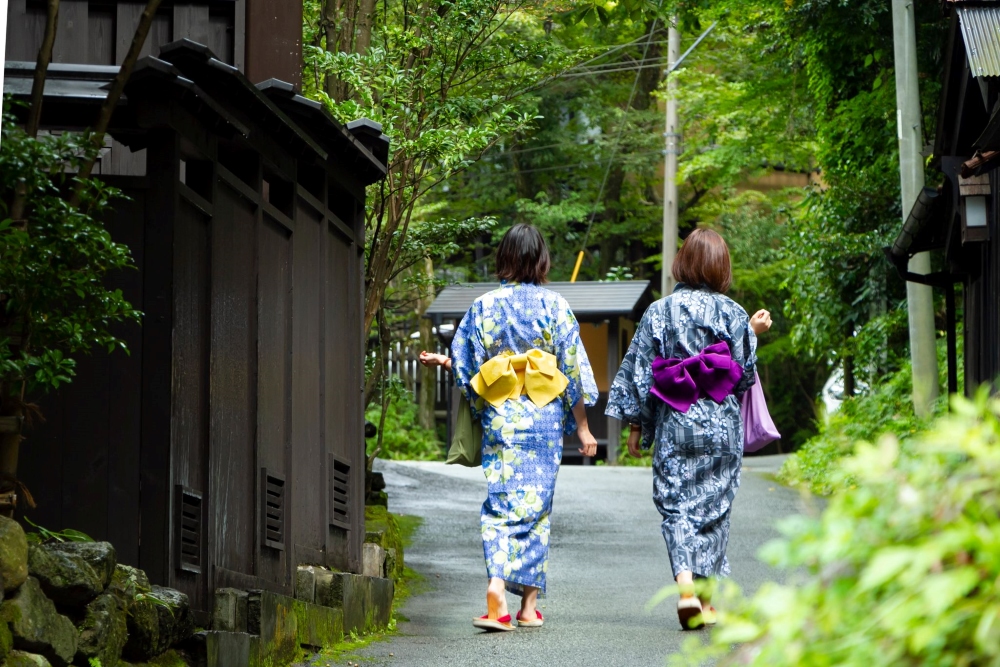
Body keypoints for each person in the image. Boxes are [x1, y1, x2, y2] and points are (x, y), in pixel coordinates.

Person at [419, 223, 599, 632]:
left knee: (501, 505)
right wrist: (584, 429)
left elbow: (468, 369)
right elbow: (572, 372)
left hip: (502, 416)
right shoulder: (556, 306)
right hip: (544, 418)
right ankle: (528, 609)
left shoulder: (483, 306)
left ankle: (497, 589)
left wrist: (448, 365)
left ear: (504, 258)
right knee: (537, 509)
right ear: (541, 260)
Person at [605, 227, 772, 630]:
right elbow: (744, 377)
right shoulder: (733, 313)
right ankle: (707, 601)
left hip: (675, 421)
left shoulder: (659, 312)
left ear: (683, 262)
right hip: (721, 426)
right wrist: (752, 333)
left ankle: (684, 588)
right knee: (715, 510)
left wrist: (634, 427)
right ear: (720, 267)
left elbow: (641, 374)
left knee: (677, 507)